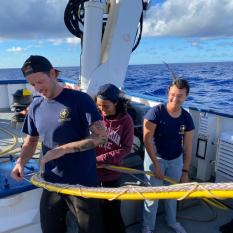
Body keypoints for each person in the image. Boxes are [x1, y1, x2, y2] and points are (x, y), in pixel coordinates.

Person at [11, 55, 107, 233]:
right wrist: (20, 162)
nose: (38, 88)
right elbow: (31, 140)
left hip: (82, 183)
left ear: (53, 73)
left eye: (40, 81)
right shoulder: (35, 106)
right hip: (51, 182)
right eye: (33, 85)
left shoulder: (80, 100)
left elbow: (101, 137)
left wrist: (63, 150)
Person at [141, 79, 195, 233]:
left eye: (180, 96)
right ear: (167, 93)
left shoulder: (186, 117)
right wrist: (156, 166)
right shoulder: (155, 112)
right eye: (172, 94)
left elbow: (188, 146)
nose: (175, 99)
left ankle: (172, 221)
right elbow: (147, 140)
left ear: (186, 96)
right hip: (155, 158)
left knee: (173, 193)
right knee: (152, 196)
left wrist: (185, 171)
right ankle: (147, 226)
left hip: (176, 160)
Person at [95, 83, 134, 233]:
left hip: (111, 174)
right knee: (97, 211)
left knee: (113, 212)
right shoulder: (96, 115)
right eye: (99, 106)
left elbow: (126, 148)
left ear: (116, 103)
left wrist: (100, 159)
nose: (102, 110)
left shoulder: (126, 121)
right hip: (92, 173)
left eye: (106, 106)